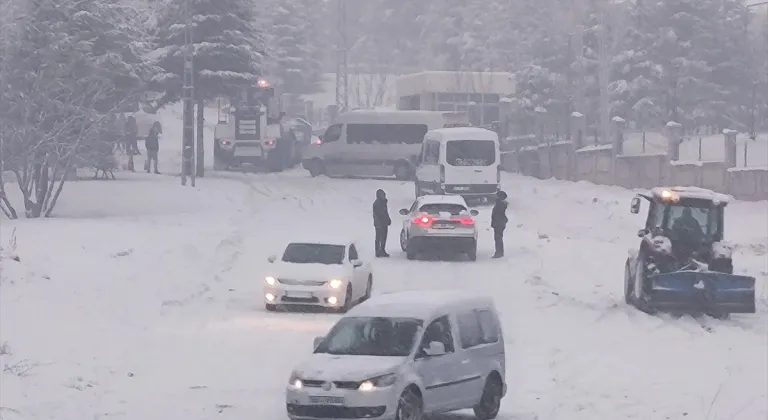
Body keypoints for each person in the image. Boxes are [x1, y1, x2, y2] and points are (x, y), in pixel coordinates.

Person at [372, 189, 391, 257]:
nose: (384, 196)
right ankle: (378, 251)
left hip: (384, 223)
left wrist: (388, 219)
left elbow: (385, 212)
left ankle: (382, 250)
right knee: (379, 238)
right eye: (382, 195)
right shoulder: (377, 203)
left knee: (384, 237)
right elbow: (379, 214)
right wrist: (384, 220)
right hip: (379, 223)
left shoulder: (383, 202)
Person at [491, 190, 508, 258]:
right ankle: (499, 252)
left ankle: (499, 252)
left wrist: (495, 223)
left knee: (498, 238)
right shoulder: (501, 204)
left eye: (497, 195)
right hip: (500, 222)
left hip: (499, 223)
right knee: (498, 238)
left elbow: (497, 214)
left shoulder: (500, 204)